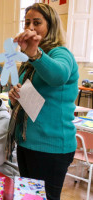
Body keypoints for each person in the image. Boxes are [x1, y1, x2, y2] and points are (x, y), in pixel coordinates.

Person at [7, 3, 78, 200]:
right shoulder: (31, 59)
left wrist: (35, 53)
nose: (30, 28)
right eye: (27, 22)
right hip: (28, 143)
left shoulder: (60, 53)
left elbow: (58, 76)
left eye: (37, 23)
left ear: (51, 26)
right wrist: (15, 98)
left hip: (51, 147)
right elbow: (32, 102)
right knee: (30, 197)